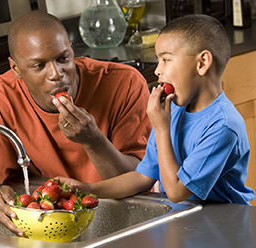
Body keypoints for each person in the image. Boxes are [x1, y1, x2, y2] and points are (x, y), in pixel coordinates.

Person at [0, 11, 151, 236]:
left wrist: (93, 141)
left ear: (72, 49)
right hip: (40, 230)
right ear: (16, 69)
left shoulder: (124, 83)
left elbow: (140, 180)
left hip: (118, 222)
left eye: (63, 58)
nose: (56, 74)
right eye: (39, 66)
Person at [56, 14, 255, 205]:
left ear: (202, 63)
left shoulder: (224, 126)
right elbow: (143, 176)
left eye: (166, 59)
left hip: (225, 227)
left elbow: (177, 192)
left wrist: (161, 129)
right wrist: (87, 189)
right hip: (191, 221)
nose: (157, 70)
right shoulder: (175, 110)